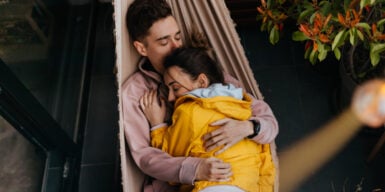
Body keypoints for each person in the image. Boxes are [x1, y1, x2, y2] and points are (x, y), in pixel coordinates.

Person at [121, 0, 279, 191]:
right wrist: (195, 169)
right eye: (164, 42)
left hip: (240, 173)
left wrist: (248, 127)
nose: (175, 47)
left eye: (177, 37)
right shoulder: (135, 92)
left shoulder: (196, 67)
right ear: (141, 48)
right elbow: (146, 157)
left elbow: (268, 121)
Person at [140, 47, 275, 192]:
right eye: (168, 90)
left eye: (176, 88)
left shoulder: (189, 112)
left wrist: (157, 125)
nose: (170, 98)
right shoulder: (243, 106)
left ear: (202, 82)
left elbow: (169, 159)